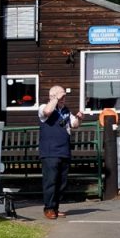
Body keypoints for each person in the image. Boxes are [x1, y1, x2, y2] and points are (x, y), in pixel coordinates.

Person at [38, 85, 82, 220]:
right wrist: (55, 99)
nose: (63, 99)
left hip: (64, 150)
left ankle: (55, 208)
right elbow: (47, 112)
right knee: (50, 181)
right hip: (50, 152)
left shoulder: (66, 111)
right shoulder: (43, 107)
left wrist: (80, 118)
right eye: (61, 96)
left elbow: (74, 124)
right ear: (52, 96)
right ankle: (49, 208)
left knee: (61, 183)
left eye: (64, 96)